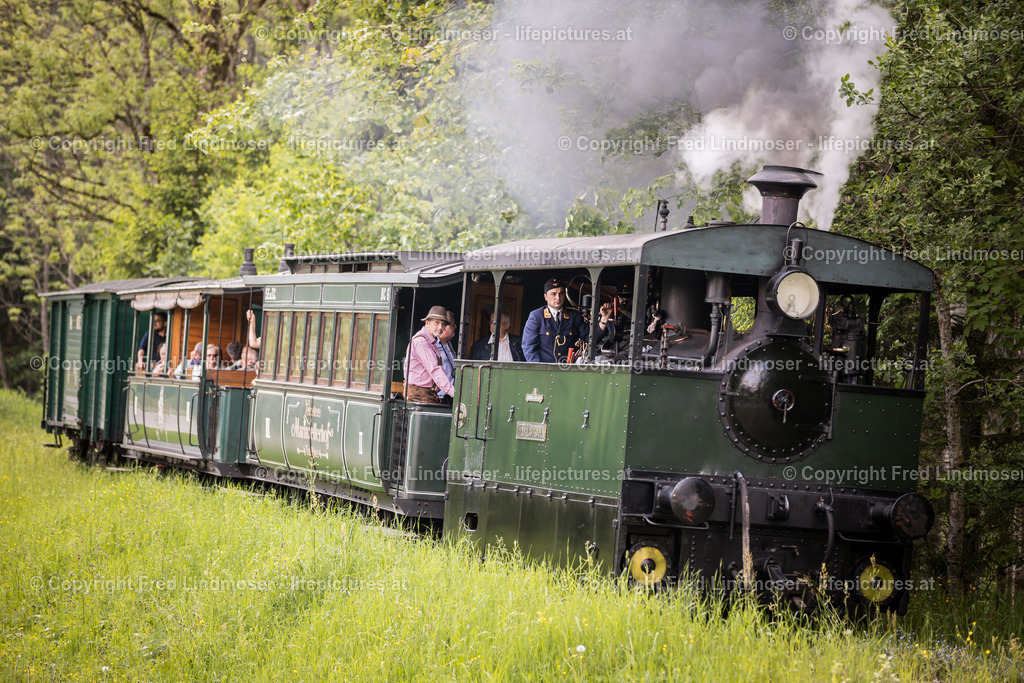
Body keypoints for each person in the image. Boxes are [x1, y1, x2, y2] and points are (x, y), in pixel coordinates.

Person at [522, 278, 612, 363]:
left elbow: (591, 339)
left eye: (561, 293)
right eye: (553, 294)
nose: (558, 297)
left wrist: (604, 318)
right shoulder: (537, 316)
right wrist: (539, 371)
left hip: (567, 371)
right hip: (545, 373)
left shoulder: (574, 316)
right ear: (545, 297)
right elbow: (529, 348)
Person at [404, 306, 456, 404]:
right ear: (427, 323)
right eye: (436, 323)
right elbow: (435, 370)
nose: (440, 327)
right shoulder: (421, 342)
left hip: (428, 394)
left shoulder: (432, 342)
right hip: (419, 396)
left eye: (443, 324)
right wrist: (454, 393)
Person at [435, 310, 457, 403]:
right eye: (453, 324)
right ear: (444, 327)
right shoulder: (433, 344)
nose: (455, 327)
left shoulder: (448, 344)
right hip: (440, 397)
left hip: (451, 396)